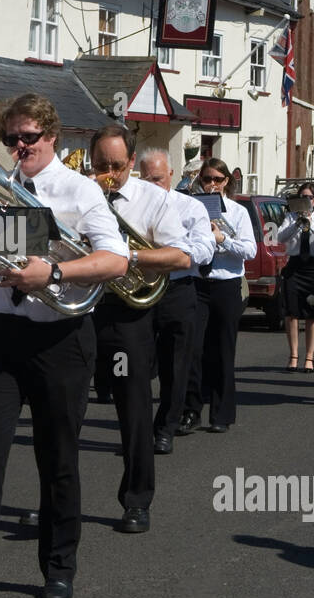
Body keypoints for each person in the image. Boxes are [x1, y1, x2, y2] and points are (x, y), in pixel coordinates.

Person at [0, 94, 127, 598]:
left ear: (52, 137)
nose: (20, 147)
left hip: (59, 337)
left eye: (29, 138)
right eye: (12, 139)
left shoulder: (79, 190)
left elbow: (116, 260)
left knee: (57, 455)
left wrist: (56, 272)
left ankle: (59, 565)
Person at [89, 127, 194, 534]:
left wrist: (125, 256)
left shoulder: (155, 199)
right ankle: (59, 505)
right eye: (101, 166)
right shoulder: (80, 193)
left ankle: (136, 500)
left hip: (124, 314)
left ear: (131, 162)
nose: (109, 175)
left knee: (133, 409)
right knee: (62, 411)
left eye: (117, 166)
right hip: (76, 309)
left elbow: (181, 256)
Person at [136, 149, 214, 445]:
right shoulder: (132, 205)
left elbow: (205, 248)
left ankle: (165, 429)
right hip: (140, 288)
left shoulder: (191, 207)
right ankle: (138, 427)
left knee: (176, 364)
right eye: (146, 179)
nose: (152, 185)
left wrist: (175, 256)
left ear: (171, 175)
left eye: (158, 178)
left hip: (177, 290)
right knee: (135, 363)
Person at [183, 158, 256, 433]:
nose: (212, 184)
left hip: (226, 284)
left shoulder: (237, 212)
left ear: (226, 181)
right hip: (198, 282)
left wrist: (222, 238)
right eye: (206, 179)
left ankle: (221, 413)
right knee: (193, 349)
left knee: (223, 350)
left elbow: (250, 251)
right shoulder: (192, 209)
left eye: (217, 179)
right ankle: (191, 410)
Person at [277, 183, 314, 372]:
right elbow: (280, 238)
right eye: (302, 197)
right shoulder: (290, 217)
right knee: (291, 313)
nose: (306, 201)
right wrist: (297, 223)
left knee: (311, 315)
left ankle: (309, 357)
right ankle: (293, 355)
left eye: (309, 197)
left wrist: (311, 223)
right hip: (295, 265)